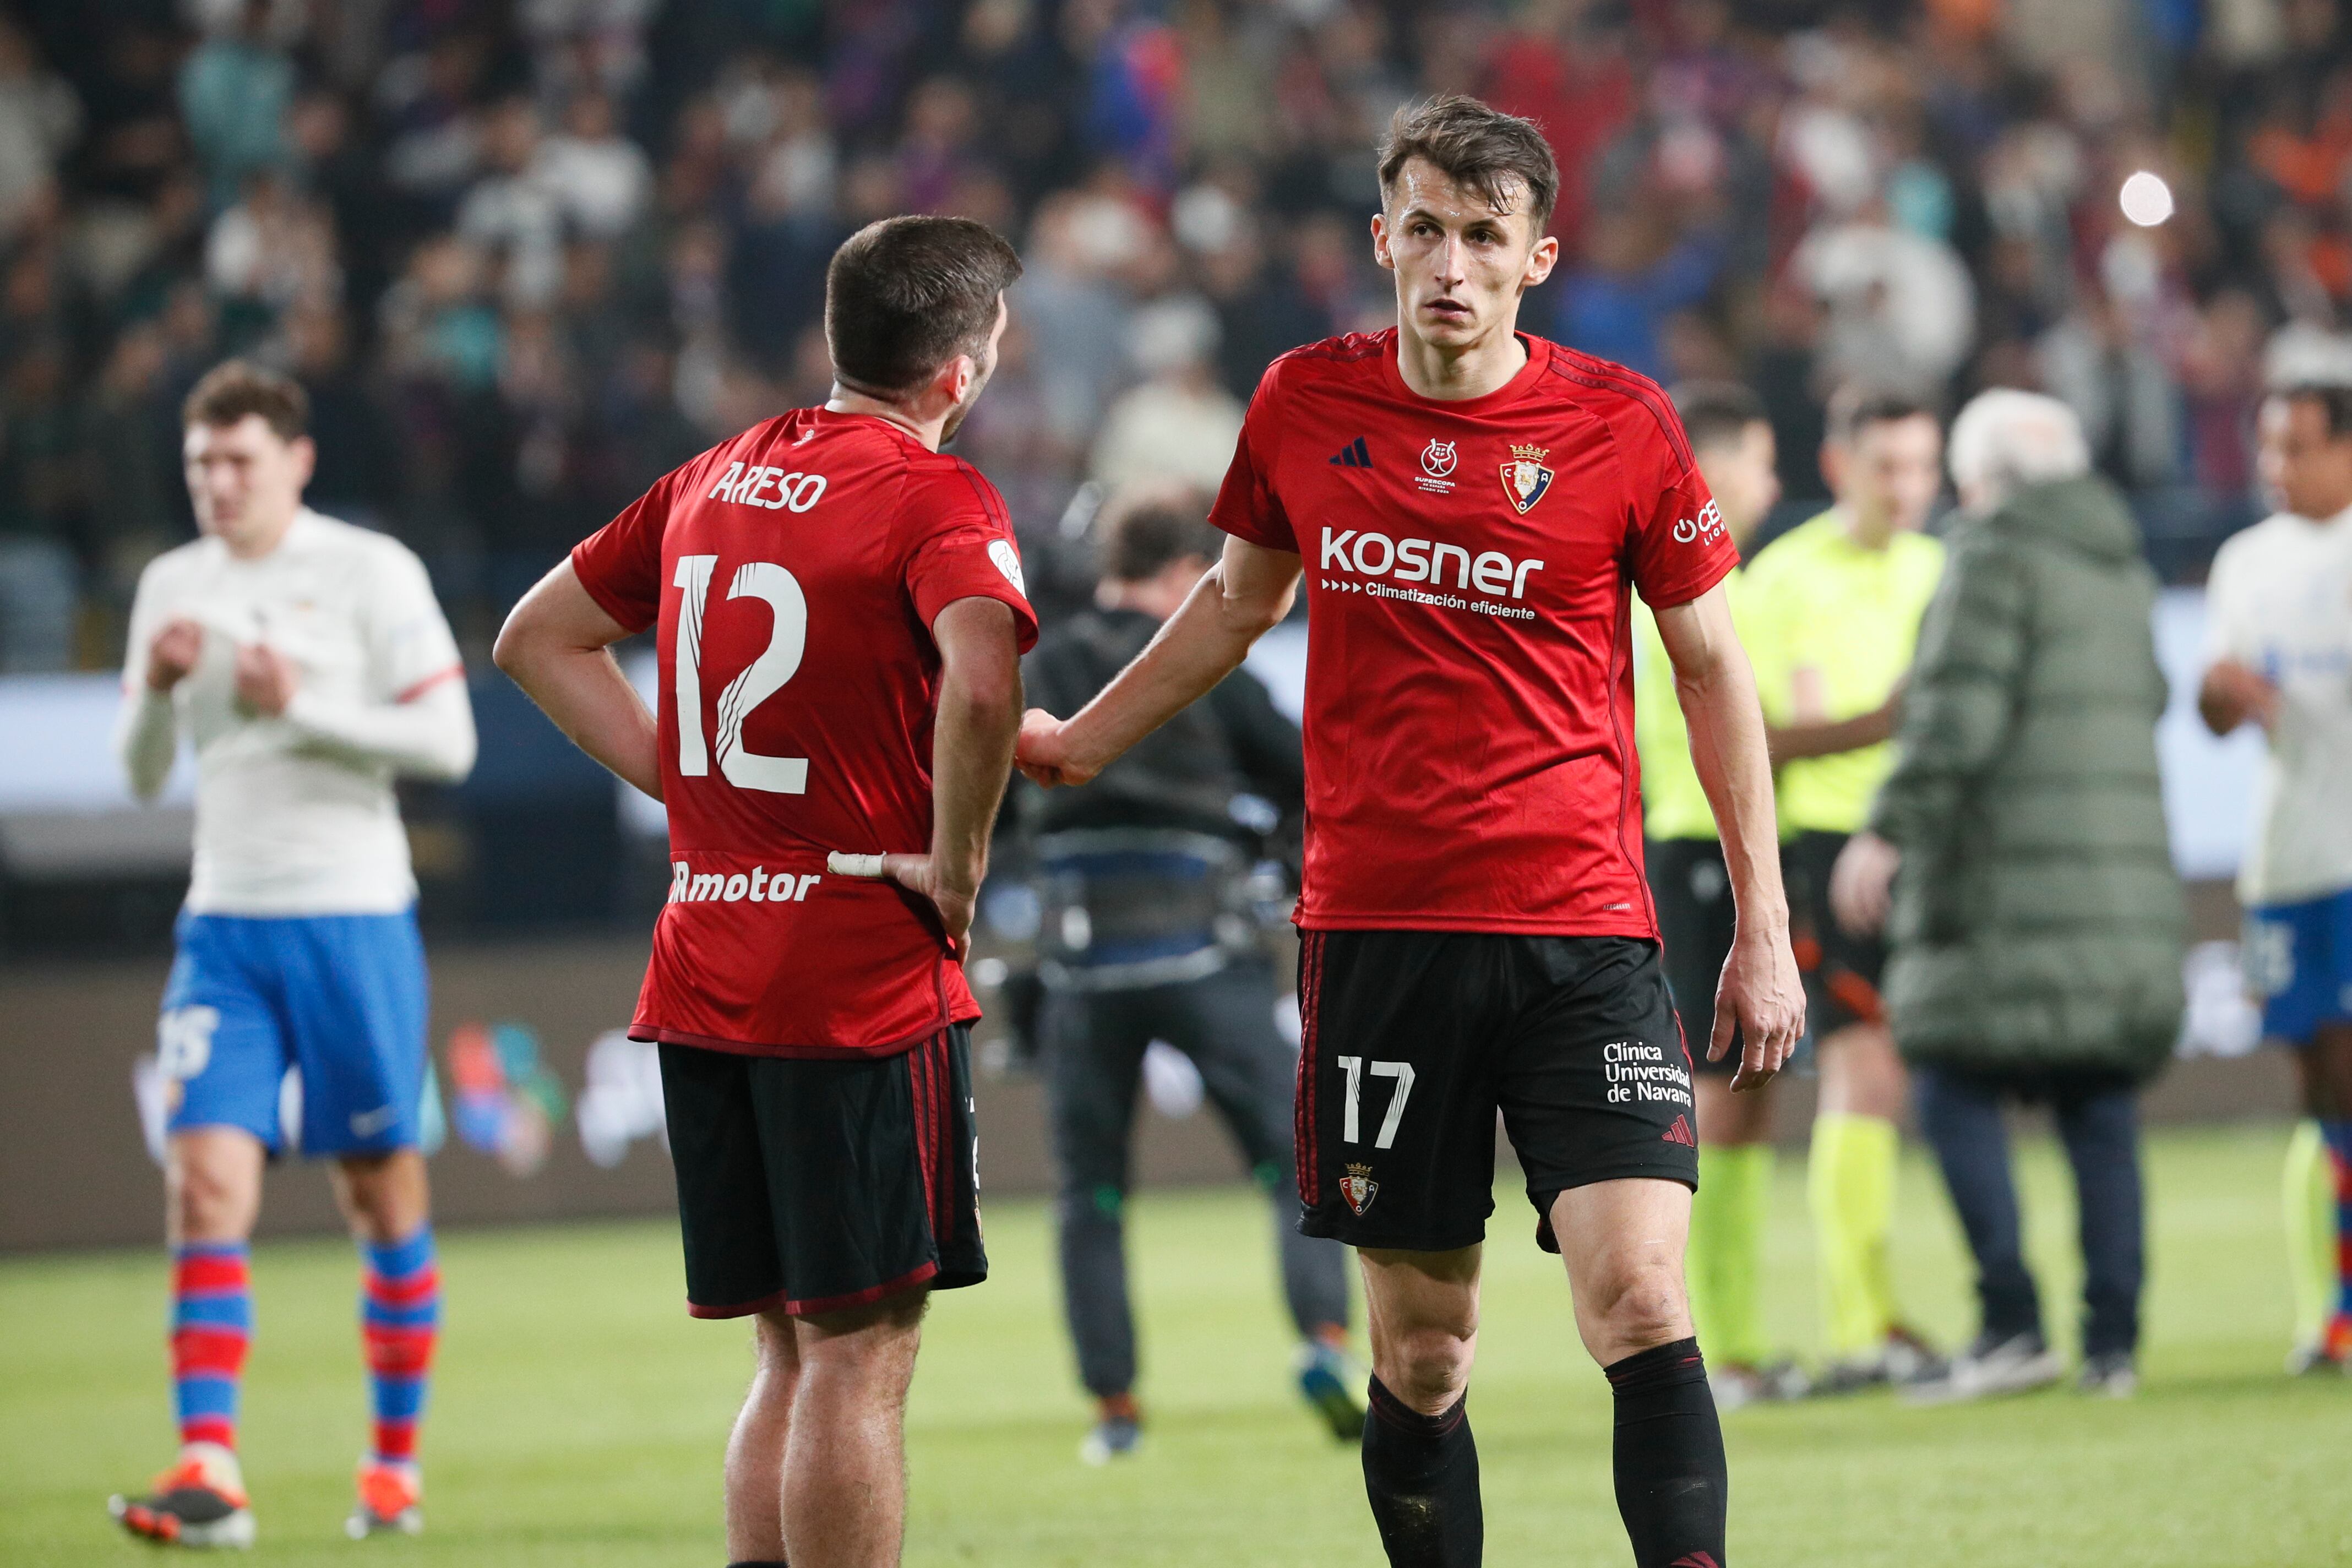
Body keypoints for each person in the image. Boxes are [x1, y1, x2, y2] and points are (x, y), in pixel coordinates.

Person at [1018, 96, 1805, 1568]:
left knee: (1639, 1298)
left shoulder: (1623, 425)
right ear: (1385, 239)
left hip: (1583, 932)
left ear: (1538, 259)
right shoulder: (1305, 404)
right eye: (1427, 231)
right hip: (1381, 935)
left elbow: (1710, 666)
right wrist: (1081, 737)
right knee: (1427, 1350)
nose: (1451, 264)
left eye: (1484, 237)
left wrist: (1762, 927)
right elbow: (1235, 606)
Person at [494, 214, 1033, 1568]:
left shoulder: (716, 473)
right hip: (853, 966)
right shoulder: (937, 497)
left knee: (789, 1350)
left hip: (703, 958)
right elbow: (982, 679)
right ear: (959, 372)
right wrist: (959, 859)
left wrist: (687, 791)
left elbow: (535, 638)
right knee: (863, 1356)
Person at [107, 361, 478, 1547]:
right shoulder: (173, 583)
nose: (217, 484)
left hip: (353, 915)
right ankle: (210, 1465)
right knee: (205, 1178)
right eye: (201, 465)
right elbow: (138, 772)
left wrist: (299, 704)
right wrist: (161, 693)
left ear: (296, 460)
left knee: (379, 1192)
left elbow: (449, 741)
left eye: (238, 461)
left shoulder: (369, 573)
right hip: (222, 923)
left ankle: (391, 1465)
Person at [1831, 389, 2184, 1402]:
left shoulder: (1988, 555)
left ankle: (2013, 1324)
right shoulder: (2122, 567)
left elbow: (1955, 715)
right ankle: (2112, 1347)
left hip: (2001, 885)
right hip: (2117, 891)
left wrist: (1886, 828)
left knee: (1947, 1081)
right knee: (2100, 1108)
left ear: (1980, 478)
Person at [1019, 484, 1359, 1463]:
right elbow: (1309, 784)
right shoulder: (1211, 669)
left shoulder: (1048, 665)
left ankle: (1114, 1412)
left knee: (1093, 1198)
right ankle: (1322, 1343)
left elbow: (988, 792)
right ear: (1181, 578)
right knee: (1295, 1170)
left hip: (1081, 965)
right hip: (1205, 950)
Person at [1738, 385, 1947, 1393]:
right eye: (1886, 468)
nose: (1906, 489)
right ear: (1839, 468)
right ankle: (1858, 1323)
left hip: (1938, 845)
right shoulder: (1783, 581)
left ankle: (1881, 1313)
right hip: (1829, 846)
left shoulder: (1943, 571)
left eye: (1921, 468)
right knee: (1865, 1072)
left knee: (1906, 1078)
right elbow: (1753, 739)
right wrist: (1879, 724)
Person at [1632, 380, 1806, 1409]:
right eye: (1763, 461)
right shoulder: (1679, 569)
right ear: (1723, 463)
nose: (1772, 483)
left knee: (1741, 1099)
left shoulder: (1689, 568)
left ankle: (1732, 1340)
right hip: (1691, 844)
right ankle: (1715, 1348)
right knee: (1715, 1100)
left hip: (1698, 846)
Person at [2197, 382, 2352, 1376]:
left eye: (2297, 447)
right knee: (2316, 1076)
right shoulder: (2245, 561)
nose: (2275, 467)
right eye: (2268, 446)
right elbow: (2217, 706)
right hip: (2288, 859)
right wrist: (2218, 695)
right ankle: (2329, 1312)